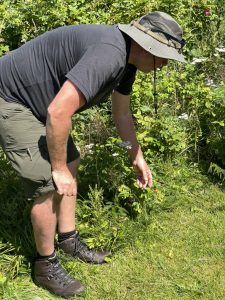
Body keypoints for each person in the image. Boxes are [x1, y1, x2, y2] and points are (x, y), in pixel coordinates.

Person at [0, 11, 186, 298]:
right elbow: (58, 111)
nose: (163, 64)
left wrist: (136, 154)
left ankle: (69, 240)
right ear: (145, 44)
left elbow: (121, 113)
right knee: (47, 180)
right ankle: (45, 265)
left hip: (38, 103)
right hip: (9, 97)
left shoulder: (127, 60)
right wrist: (58, 169)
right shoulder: (109, 54)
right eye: (161, 55)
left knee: (71, 159)